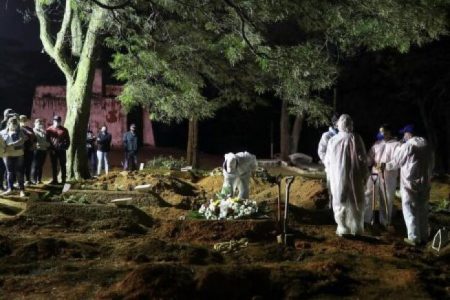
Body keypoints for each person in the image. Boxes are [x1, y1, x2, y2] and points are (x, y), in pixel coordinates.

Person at [381, 124, 434, 246]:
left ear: (409, 134)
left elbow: (396, 162)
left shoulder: (408, 146)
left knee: (410, 209)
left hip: (409, 183)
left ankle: (414, 237)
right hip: (425, 182)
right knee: (423, 209)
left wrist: (385, 165)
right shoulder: (427, 145)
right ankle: (424, 237)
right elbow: (432, 163)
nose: (403, 136)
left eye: (404, 134)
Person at [324, 114, 368, 236]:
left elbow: (327, 161)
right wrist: (365, 174)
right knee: (356, 201)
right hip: (354, 176)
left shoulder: (333, 140)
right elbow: (362, 158)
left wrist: (330, 175)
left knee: (340, 201)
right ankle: (357, 228)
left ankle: (342, 228)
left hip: (338, 177)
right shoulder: (356, 138)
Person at [364, 124, 400, 227]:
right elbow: (370, 158)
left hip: (388, 175)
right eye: (381, 132)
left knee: (386, 198)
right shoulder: (377, 144)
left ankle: (384, 221)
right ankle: (366, 219)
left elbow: (397, 161)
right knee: (369, 194)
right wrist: (364, 160)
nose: (383, 134)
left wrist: (386, 166)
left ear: (390, 132)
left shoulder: (397, 145)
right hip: (375, 173)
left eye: (385, 132)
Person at [1, 117, 27, 197]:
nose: (14, 126)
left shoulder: (20, 131)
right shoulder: (2, 132)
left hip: (18, 154)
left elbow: (22, 140)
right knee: (9, 172)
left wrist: (13, 144)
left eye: (15, 124)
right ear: (8, 124)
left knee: (19, 172)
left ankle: (22, 190)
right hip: (7, 155)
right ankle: (10, 189)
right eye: (12, 124)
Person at [317, 114, 339, 208]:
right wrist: (328, 162)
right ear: (334, 123)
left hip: (341, 167)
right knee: (331, 188)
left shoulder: (344, 136)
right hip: (331, 168)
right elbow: (321, 151)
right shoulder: (327, 136)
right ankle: (331, 207)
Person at [46, 115, 70, 184]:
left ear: (60, 122)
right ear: (53, 121)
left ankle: (63, 179)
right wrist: (50, 149)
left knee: (63, 165)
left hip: (61, 150)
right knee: (54, 165)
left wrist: (65, 147)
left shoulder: (64, 130)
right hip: (53, 150)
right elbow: (47, 140)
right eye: (56, 121)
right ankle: (55, 180)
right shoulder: (49, 130)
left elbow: (68, 140)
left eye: (58, 121)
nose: (57, 122)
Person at [32, 118, 50, 184]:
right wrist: (46, 144)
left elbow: (46, 141)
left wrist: (48, 144)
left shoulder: (44, 131)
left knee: (41, 166)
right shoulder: (33, 131)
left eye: (41, 123)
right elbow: (35, 142)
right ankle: (34, 180)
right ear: (35, 123)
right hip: (37, 150)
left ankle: (39, 179)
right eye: (38, 123)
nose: (40, 124)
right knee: (36, 165)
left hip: (44, 150)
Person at [19, 115, 36, 185]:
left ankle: (28, 180)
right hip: (21, 151)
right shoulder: (18, 129)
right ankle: (20, 181)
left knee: (28, 165)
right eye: (22, 120)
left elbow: (35, 139)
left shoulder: (30, 129)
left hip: (29, 150)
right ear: (19, 121)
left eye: (25, 120)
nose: (24, 121)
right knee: (21, 166)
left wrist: (33, 145)